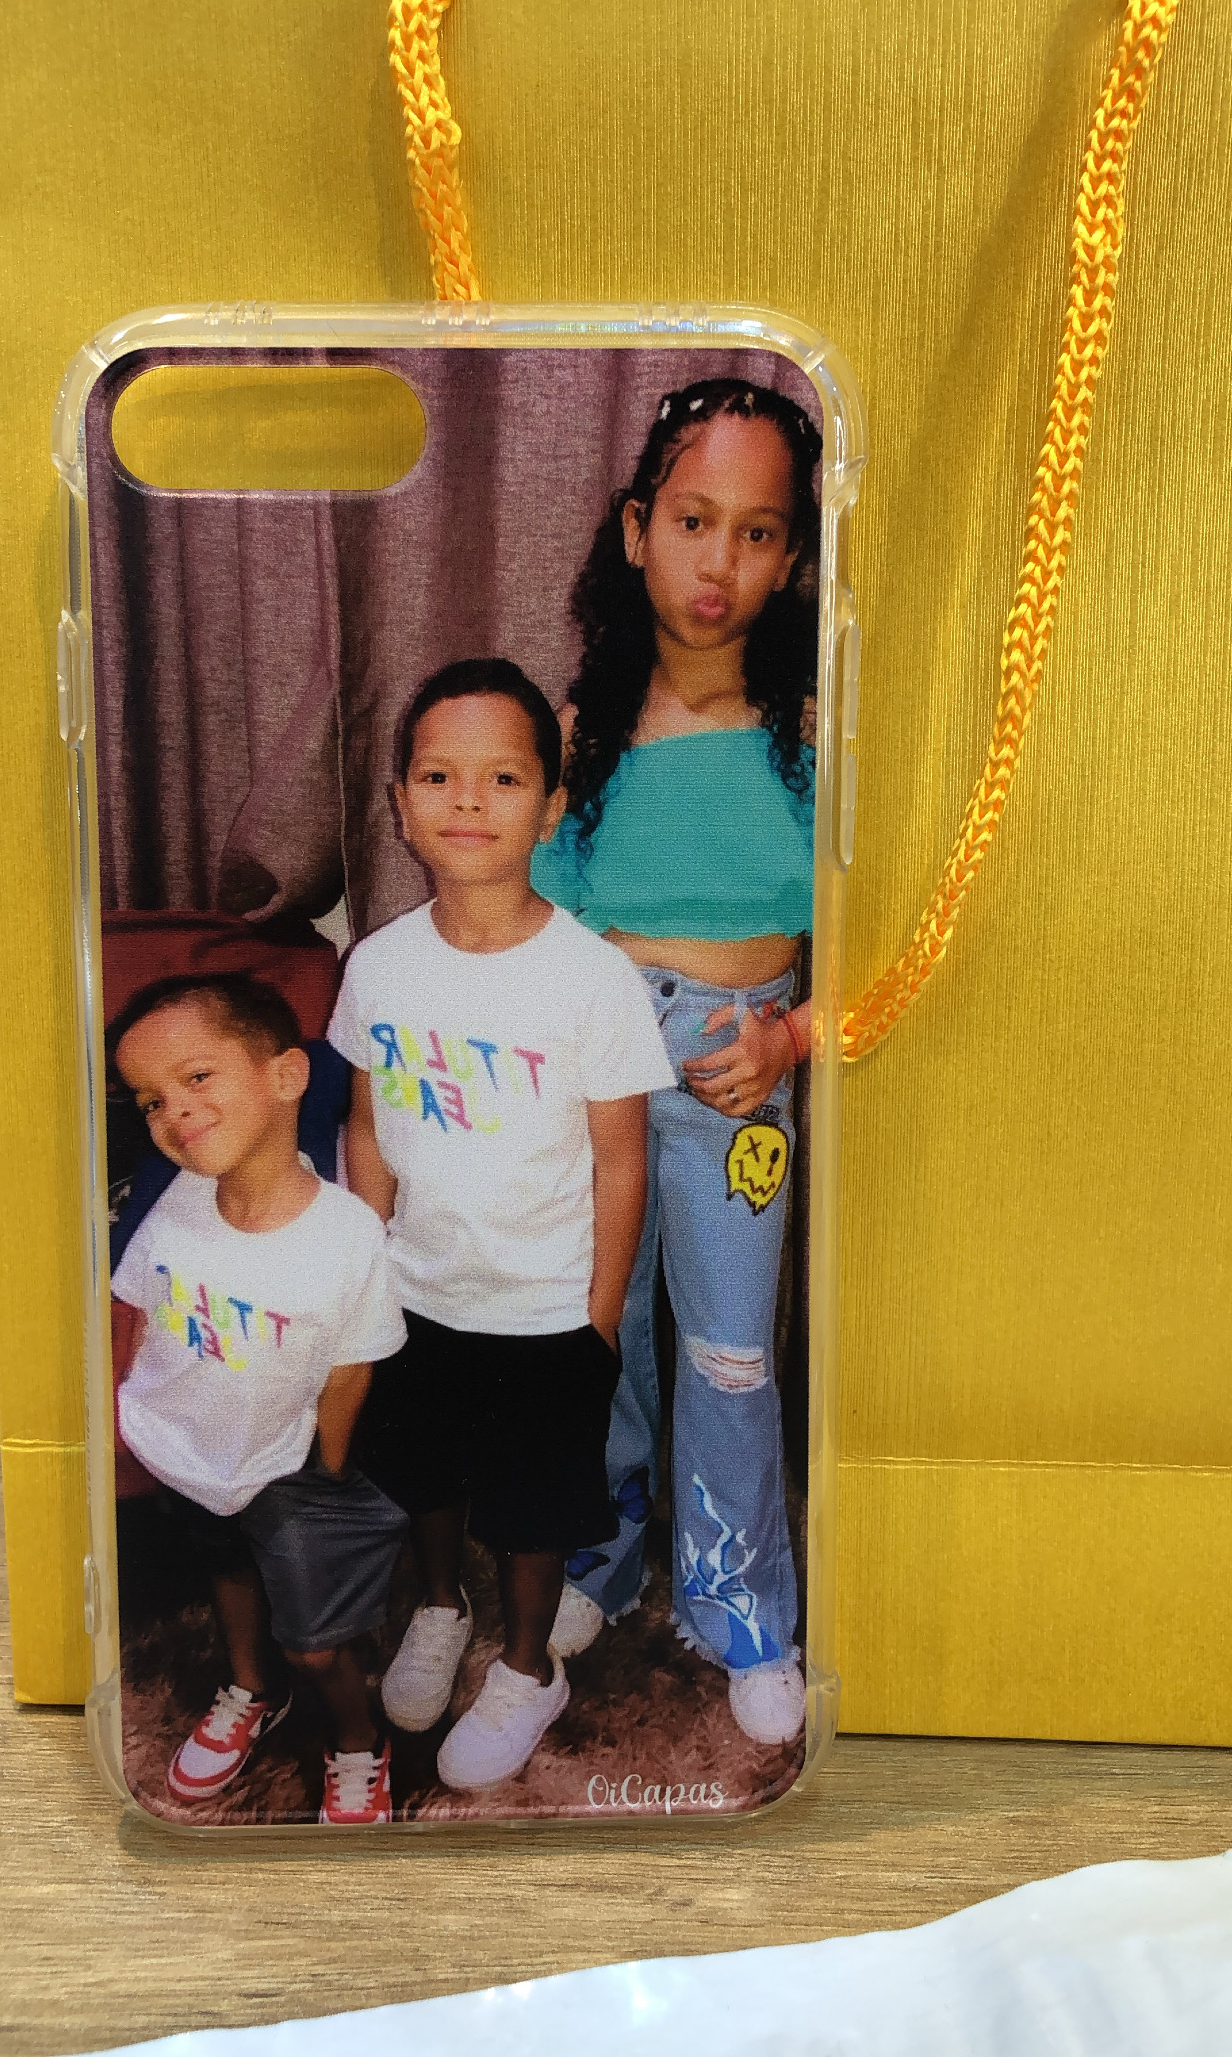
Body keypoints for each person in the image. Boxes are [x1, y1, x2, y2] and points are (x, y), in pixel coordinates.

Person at [531, 377, 821, 1747]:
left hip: (733, 1064)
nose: (720, 562)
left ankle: (741, 1602)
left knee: (729, 1353)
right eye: (693, 520)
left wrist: (790, 1037)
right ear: (637, 528)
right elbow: (536, 918)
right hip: (594, 1059)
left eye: (757, 532)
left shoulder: (812, 727)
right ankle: (596, 1558)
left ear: (793, 554)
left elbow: (893, 932)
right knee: (594, 1333)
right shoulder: (581, 726)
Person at [330, 658, 674, 1791]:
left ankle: (529, 1666)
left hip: (545, 1307)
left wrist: (600, 1317)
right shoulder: (379, 966)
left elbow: (621, 1161)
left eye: (505, 778)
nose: (469, 800)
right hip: (416, 1291)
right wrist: (364, 1269)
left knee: (534, 1511)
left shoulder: (593, 979)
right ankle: (440, 1606)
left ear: (552, 805)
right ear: (401, 804)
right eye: (439, 776)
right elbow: (369, 1129)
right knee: (424, 1474)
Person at [109, 973, 408, 1824]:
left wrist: (327, 1466)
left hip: (289, 1464)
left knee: (316, 1643)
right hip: (187, 1447)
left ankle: (358, 1738)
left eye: (196, 1077)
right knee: (228, 1570)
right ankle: (250, 1688)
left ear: (285, 1076)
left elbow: (353, 1364)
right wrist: (144, 1415)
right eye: (151, 1100)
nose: (174, 1112)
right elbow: (140, 1305)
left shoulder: (345, 1233)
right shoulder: (173, 1200)